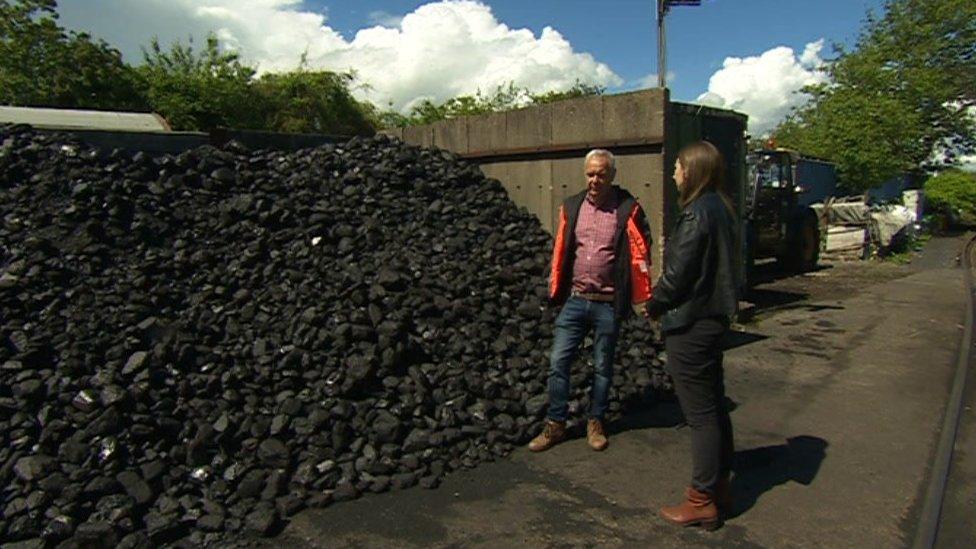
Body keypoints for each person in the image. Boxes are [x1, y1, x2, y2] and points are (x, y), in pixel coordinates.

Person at [528, 149, 653, 453]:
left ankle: (595, 421)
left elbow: (641, 249)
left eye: (601, 174)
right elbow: (562, 250)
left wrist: (638, 294)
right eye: (590, 174)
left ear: (612, 175)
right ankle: (556, 423)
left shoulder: (626, 209)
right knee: (558, 362)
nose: (595, 179)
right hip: (575, 300)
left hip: (607, 303)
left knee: (602, 366)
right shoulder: (572, 207)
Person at [646, 140, 738, 530]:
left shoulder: (697, 214)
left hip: (692, 323)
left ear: (693, 171)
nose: (673, 174)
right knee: (714, 406)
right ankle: (719, 486)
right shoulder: (722, 209)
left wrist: (653, 303)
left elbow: (678, 276)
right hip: (714, 318)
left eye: (678, 167)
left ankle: (701, 499)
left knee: (699, 414)